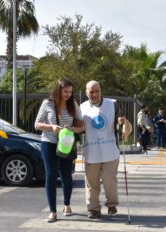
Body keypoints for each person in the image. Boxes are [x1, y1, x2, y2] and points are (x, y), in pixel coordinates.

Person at [34, 78, 84, 223]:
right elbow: (37, 124)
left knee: (66, 175)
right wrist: (51, 127)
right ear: (58, 90)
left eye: (70, 92)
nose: (68, 94)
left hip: (67, 144)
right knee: (50, 175)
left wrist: (73, 128)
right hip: (49, 143)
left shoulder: (73, 105)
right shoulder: (47, 103)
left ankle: (67, 204)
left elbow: (81, 126)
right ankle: (52, 211)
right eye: (65, 91)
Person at [81, 80, 120, 219]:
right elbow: (81, 128)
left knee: (110, 180)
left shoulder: (112, 104)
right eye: (91, 91)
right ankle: (93, 209)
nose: (94, 94)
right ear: (86, 93)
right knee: (91, 183)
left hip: (110, 149)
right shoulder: (82, 107)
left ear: (101, 91)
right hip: (92, 151)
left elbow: (118, 123)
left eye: (96, 91)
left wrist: (122, 124)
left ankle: (112, 204)